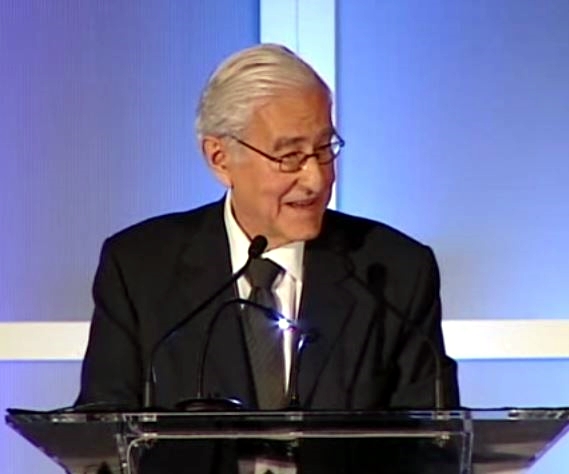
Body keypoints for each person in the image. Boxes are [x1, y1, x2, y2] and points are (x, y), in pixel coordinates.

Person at [77, 43, 460, 472]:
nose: (315, 178)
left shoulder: (394, 270)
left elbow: (433, 447)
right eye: (290, 156)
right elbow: (101, 440)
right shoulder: (139, 267)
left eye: (324, 149)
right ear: (220, 158)